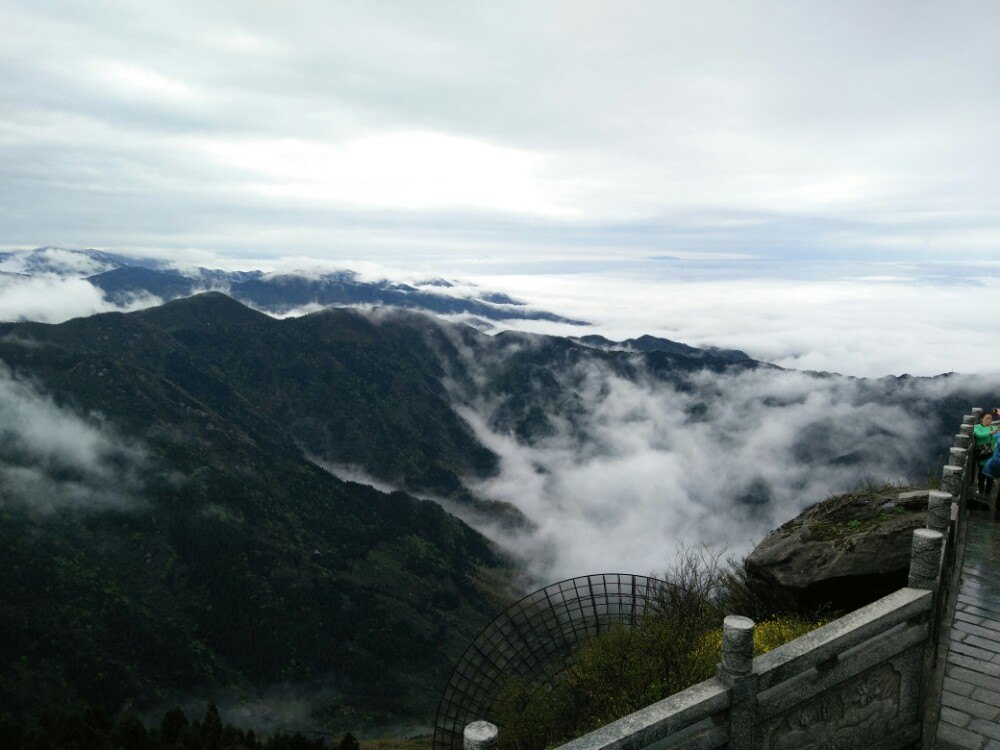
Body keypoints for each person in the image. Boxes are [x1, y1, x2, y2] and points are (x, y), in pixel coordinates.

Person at [973, 411, 999, 496]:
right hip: (982, 454)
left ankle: (988, 491)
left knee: (990, 474)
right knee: (982, 473)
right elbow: (978, 435)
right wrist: (990, 433)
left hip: (992, 455)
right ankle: (981, 490)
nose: (989, 420)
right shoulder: (977, 427)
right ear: (981, 419)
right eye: (987, 418)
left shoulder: (994, 428)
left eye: (990, 418)